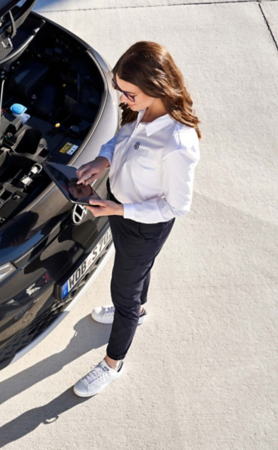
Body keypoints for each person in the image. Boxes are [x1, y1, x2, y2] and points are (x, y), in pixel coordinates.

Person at [71, 41, 201, 397]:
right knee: (136, 275)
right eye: (119, 89)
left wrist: (120, 210)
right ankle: (138, 308)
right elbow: (124, 138)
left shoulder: (178, 144)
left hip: (143, 226)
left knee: (123, 290)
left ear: (155, 88)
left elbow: (177, 207)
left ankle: (113, 364)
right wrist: (103, 160)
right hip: (120, 209)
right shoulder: (144, 110)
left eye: (127, 93)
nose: (122, 99)